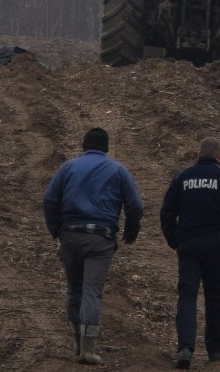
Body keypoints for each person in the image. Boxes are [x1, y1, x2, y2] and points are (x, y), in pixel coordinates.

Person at [43, 127, 143, 365]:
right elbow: (135, 206)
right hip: (100, 238)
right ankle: (89, 349)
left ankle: (78, 343)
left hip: (71, 234)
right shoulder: (118, 170)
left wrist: (56, 229)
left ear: (84, 146)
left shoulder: (68, 167)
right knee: (91, 291)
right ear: (106, 148)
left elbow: (49, 199)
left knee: (74, 289)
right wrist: (130, 232)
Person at [160, 137, 220, 370]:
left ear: (197, 155)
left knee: (187, 296)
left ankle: (185, 348)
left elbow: (166, 212)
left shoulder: (182, 177)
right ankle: (214, 347)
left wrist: (175, 240)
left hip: (188, 246)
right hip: (216, 246)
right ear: (219, 157)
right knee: (215, 297)